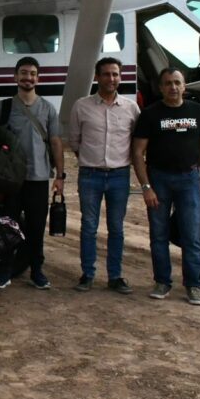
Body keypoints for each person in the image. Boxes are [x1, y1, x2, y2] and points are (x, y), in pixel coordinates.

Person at [132, 67, 200, 306]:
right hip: (159, 180)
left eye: (177, 82)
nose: (173, 87)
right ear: (160, 87)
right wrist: (146, 186)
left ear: (184, 86)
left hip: (189, 180)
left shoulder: (197, 112)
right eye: (168, 83)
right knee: (159, 235)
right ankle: (162, 281)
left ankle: (193, 286)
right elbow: (137, 152)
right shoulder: (150, 114)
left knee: (192, 236)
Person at [0, 56, 65, 290]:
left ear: (37, 78)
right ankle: (5, 271)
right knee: (7, 226)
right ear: (15, 76)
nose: (27, 77)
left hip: (39, 178)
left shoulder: (48, 108)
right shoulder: (3, 107)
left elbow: (55, 142)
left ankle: (37, 270)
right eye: (23, 73)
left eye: (32, 73)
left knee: (35, 227)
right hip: (11, 180)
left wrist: (60, 176)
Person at [67, 57, 141, 294]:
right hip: (90, 175)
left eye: (115, 74)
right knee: (88, 227)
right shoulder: (81, 106)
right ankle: (87, 274)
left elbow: (136, 142)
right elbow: (75, 142)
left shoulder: (131, 108)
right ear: (97, 77)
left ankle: (115, 276)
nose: (111, 79)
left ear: (120, 77)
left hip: (120, 176)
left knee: (116, 228)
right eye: (107, 74)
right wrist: (90, 161)